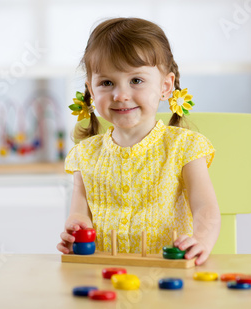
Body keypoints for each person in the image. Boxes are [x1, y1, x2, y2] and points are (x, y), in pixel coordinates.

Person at [57, 17, 220, 265]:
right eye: (107, 83)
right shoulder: (85, 154)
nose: (120, 95)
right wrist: (76, 226)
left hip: (167, 272)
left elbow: (205, 208)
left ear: (165, 86)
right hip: (105, 272)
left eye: (136, 80)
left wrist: (201, 239)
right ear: (91, 90)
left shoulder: (184, 147)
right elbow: (80, 210)